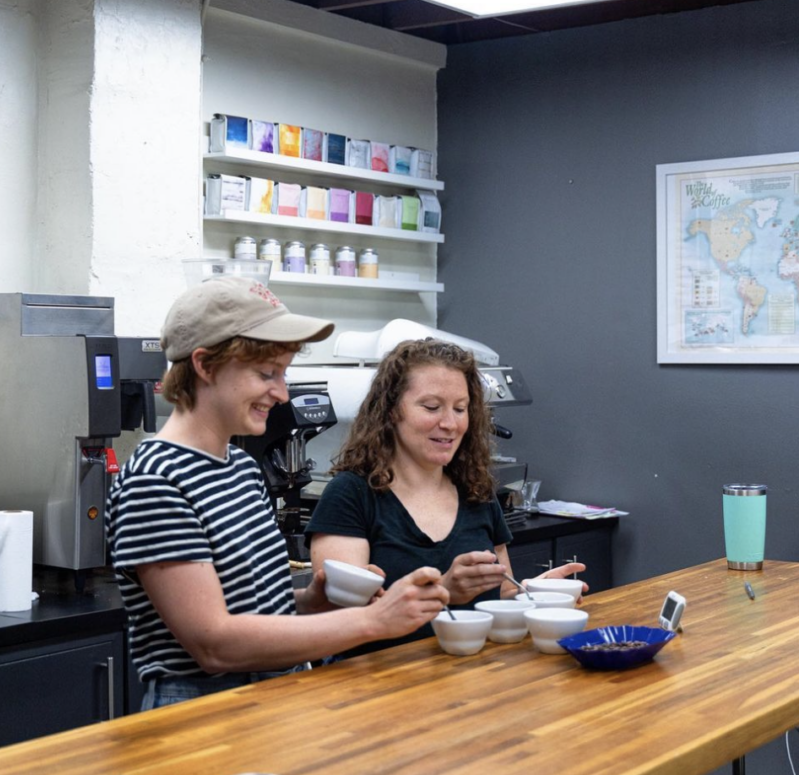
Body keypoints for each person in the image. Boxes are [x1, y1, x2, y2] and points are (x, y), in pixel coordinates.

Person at [106, 277, 449, 709]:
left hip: (271, 699)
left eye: (283, 374)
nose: (282, 393)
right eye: (267, 373)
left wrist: (311, 602)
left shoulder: (241, 468)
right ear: (205, 366)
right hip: (204, 711)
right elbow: (215, 644)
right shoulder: (156, 480)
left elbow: (251, 610)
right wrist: (372, 622)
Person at [305, 338, 586, 655]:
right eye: (431, 407)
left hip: (469, 683)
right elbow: (338, 618)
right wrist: (444, 591)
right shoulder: (351, 494)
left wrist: (535, 594)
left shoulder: (476, 490)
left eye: (460, 409)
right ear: (390, 411)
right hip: (379, 689)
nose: (450, 423)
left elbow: (500, 593)